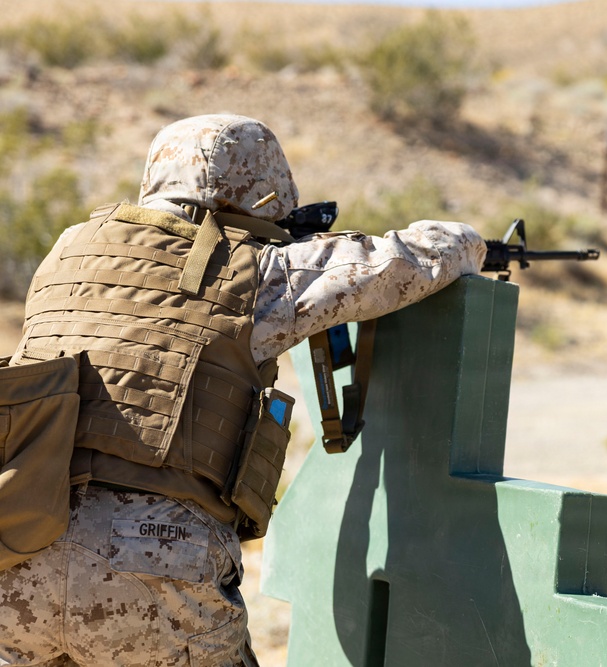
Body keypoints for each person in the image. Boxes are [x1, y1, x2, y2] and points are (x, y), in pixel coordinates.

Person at [0, 114, 486, 666]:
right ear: (256, 196)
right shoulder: (253, 269)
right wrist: (472, 243)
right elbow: (409, 262)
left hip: (20, 553)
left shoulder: (66, 254)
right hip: (155, 563)